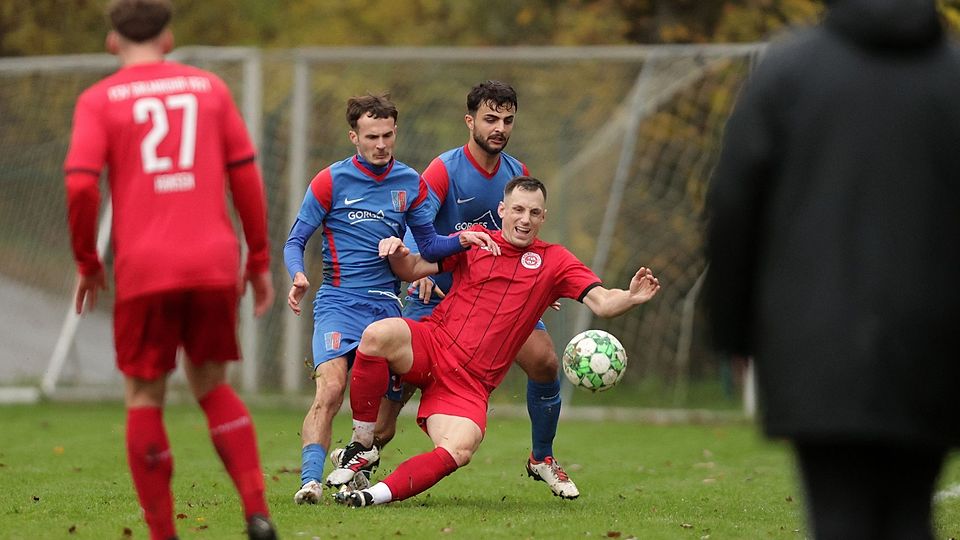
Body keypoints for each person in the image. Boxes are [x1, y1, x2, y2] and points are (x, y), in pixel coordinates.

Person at [704, 1, 960, 538]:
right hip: (933, 348)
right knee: (911, 512)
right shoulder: (951, 79)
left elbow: (733, 206)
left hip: (816, 346)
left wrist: (733, 332)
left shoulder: (789, 72)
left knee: (837, 515)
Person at [64, 1, 277, 538]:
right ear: (168, 36)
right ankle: (257, 511)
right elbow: (246, 177)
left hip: (145, 267)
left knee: (143, 397)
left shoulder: (98, 100)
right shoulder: (210, 89)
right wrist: (257, 259)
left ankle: (163, 533)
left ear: (112, 41)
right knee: (211, 385)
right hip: (211, 262)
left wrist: (88, 262)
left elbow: (80, 184)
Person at [330, 176, 660, 507]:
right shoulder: (475, 241)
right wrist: (398, 252)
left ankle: (370, 497)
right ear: (502, 210)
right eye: (517, 209)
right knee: (376, 335)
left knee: (460, 449)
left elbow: (602, 302)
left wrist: (630, 297)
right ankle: (362, 445)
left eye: (534, 212)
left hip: (468, 384)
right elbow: (413, 268)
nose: (525, 219)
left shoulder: (556, 261)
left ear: (543, 218)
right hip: (431, 344)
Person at [340, 80, 581, 500]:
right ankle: (364, 454)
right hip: (438, 296)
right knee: (388, 413)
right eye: (491, 119)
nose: (499, 128)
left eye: (507, 121)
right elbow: (419, 222)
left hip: (495, 299)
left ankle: (541, 456)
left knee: (544, 360)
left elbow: (519, 241)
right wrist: (422, 270)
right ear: (470, 122)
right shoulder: (444, 169)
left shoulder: (516, 173)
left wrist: (540, 283)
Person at [283, 93, 496, 504]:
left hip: (385, 307)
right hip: (338, 303)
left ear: (396, 132)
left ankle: (357, 461)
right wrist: (297, 275)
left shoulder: (410, 183)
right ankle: (309, 481)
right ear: (354, 137)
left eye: (388, 135)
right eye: (372, 136)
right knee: (330, 389)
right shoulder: (330, 181)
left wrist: (461, 241)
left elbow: (431, 245)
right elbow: (296, 240)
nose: (381, 144)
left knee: (384, 421)